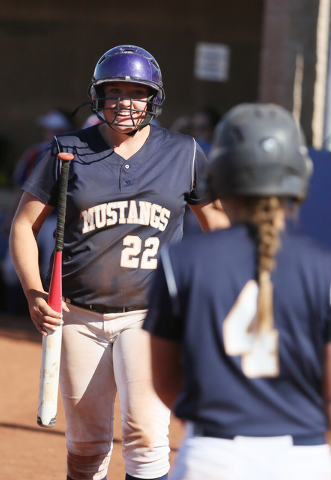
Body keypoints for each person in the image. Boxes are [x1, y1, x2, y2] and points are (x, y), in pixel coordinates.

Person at [9, 45, 229, 480]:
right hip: (75, 314)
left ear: (154, 99)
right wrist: (34, 291)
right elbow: (22, 227)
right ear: (98, 95)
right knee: (87, 447)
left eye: (136, 93)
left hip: (150, 316)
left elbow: (218, 223)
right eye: (114, 92)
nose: (125, 103)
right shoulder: (67, 150)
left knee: (147, 438)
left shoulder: (183, 153)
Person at [143, 103, 331, 480]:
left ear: (218, 175)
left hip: (212, 457)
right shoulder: (329, 269)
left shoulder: (179, 262)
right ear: (299, 175)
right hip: (303, 462)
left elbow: (165, 381)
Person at [2, 109, 74, 313]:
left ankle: (43, 314)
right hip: (29, 218)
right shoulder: (34, 152)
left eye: (54, 128)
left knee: (48, 271)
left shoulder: (73, 150)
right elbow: (21, 187)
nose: (49, 132)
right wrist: (10, 217)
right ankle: (13, 315)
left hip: (56, 222)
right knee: (12, 269)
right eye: (48, 128)